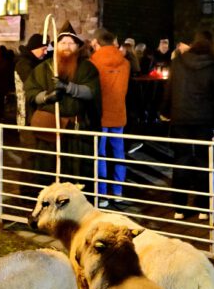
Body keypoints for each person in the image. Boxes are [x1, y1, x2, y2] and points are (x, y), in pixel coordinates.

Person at [25, 22, 101, 181]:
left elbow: (91, 92)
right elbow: (31, 92)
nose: (67, 46)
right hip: (50, 130)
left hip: (75, 132)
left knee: (74, 172)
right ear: (57, 45)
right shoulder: (44, 68)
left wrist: (68, 87)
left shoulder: (87, 68)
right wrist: (46, 97)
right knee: (48, 170)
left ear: (77, 47)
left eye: (71, 43)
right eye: (63, 42)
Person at [162, 30, 214, 219]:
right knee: (204, 162)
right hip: (204, 119)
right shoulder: (213, 67)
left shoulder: (178, 62)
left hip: (181, 117)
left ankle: (179, 207)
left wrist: (165, 111)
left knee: (181, 160)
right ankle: (203, 207)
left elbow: (170, 88)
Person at [91, 28, 131, 206]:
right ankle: (118, 191)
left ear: (97, 43)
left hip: (100, 115)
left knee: (100, 154)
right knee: (118, 153)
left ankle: (102, 194)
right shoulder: (125, 63)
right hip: (119, 112)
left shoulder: (93, 62)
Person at [14, 33, 49, 136]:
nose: (46, 52)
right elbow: (34, 84)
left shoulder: (35, 62)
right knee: (29, 144)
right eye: (44, 49)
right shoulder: (23, 64)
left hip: (34, 111)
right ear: (35, 48)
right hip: (27, 113)